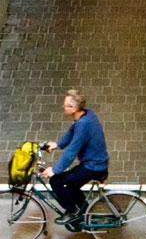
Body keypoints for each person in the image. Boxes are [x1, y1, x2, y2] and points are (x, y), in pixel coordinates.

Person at [42, 89, 108, 231]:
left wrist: (54, 170)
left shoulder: (83, 125)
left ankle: (73, 212)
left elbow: (71, 152)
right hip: (96, 163)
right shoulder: (87, 114)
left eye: (65, 105)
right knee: (72, 186)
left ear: (73, 108)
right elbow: (73, 131)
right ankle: (85, 213)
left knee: (56, 181)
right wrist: (58, 144)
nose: (63, 107)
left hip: (93, 167)